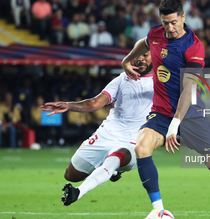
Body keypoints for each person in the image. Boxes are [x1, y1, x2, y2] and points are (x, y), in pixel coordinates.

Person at [121, 0, 210, 219]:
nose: (170, 28)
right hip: (161, 111)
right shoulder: (156, 33)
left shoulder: (194, 46)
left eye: (174, 22)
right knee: (141, 147)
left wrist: (175, 125)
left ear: (183, 17)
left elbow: (189, 88)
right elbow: (145, 42)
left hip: (190, 114)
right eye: (165, 23)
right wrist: (126, 60)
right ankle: (158, 212)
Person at [41, 52, 153, 206]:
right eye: (138, 55)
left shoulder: (161, 82)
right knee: (71, 174)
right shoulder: (122, 79)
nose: (141, 58)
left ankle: (78, 192)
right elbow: (94, 103)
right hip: (107, 133)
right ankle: (113, 169)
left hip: (134, 140)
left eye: (145, 55)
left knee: (117, 157)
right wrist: (68, 105)